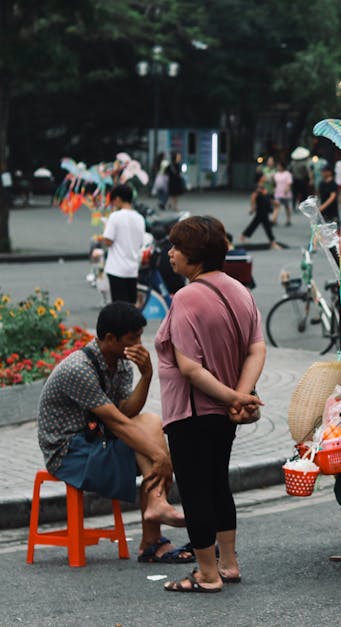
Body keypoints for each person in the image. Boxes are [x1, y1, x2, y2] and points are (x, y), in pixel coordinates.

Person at [157, 216, 265, 592]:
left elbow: (189, 367)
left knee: (195, 488)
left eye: (176, 248)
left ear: (196, 256)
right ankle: (228, 564)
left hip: (191, 411)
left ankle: (206, 573)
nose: (170, 254)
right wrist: (241, 394)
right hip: (225, 414)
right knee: (218, 482)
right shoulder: (240, 290)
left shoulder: (186, 297)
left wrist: (234, 395)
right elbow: (256, 347)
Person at [37, 302, 192, 564]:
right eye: (133, 339)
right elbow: (118, 423)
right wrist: (161, 457)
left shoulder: (120, 363)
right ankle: (152, 538)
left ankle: (154, 518)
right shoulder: (79, 369)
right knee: (150, 439)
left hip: (97, 441)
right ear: (109, 338)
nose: (139, 345)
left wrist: (146, 375)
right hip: (69, 453)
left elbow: (127, 412)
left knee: (149, 423)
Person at [102, 183, 146, 305]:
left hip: (116, 269)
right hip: (132, 269)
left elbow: (108, 241)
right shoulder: (140, 218)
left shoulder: (115, 217)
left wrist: (105, 228)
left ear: (118, 199)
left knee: (119, 307)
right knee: (131, 306)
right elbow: (141, 242)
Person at [240, 174, 281, 250]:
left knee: (255, 223)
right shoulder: (258, 187)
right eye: (264, 177)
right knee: (267, 227)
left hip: (264, 209)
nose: (265, 178)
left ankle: (243, 236)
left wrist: (273, 202)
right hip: (261, 210)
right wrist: (252, 208)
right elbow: (253, 197)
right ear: (260, 178)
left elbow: (266, 197)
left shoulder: (263, 186)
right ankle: (273, 243)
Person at [273, 162, 294, 226]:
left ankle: (288, 220)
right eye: (277, 166)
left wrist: (287, 189)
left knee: (286, 207)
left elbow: (289, 183)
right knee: (277, 206)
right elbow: (274, 183)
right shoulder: (276, 174)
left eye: (279, 166)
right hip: (278, 193)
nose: (278, 167)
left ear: (282, 166)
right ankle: (274, 220)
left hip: (285, 193)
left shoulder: (287, 174)